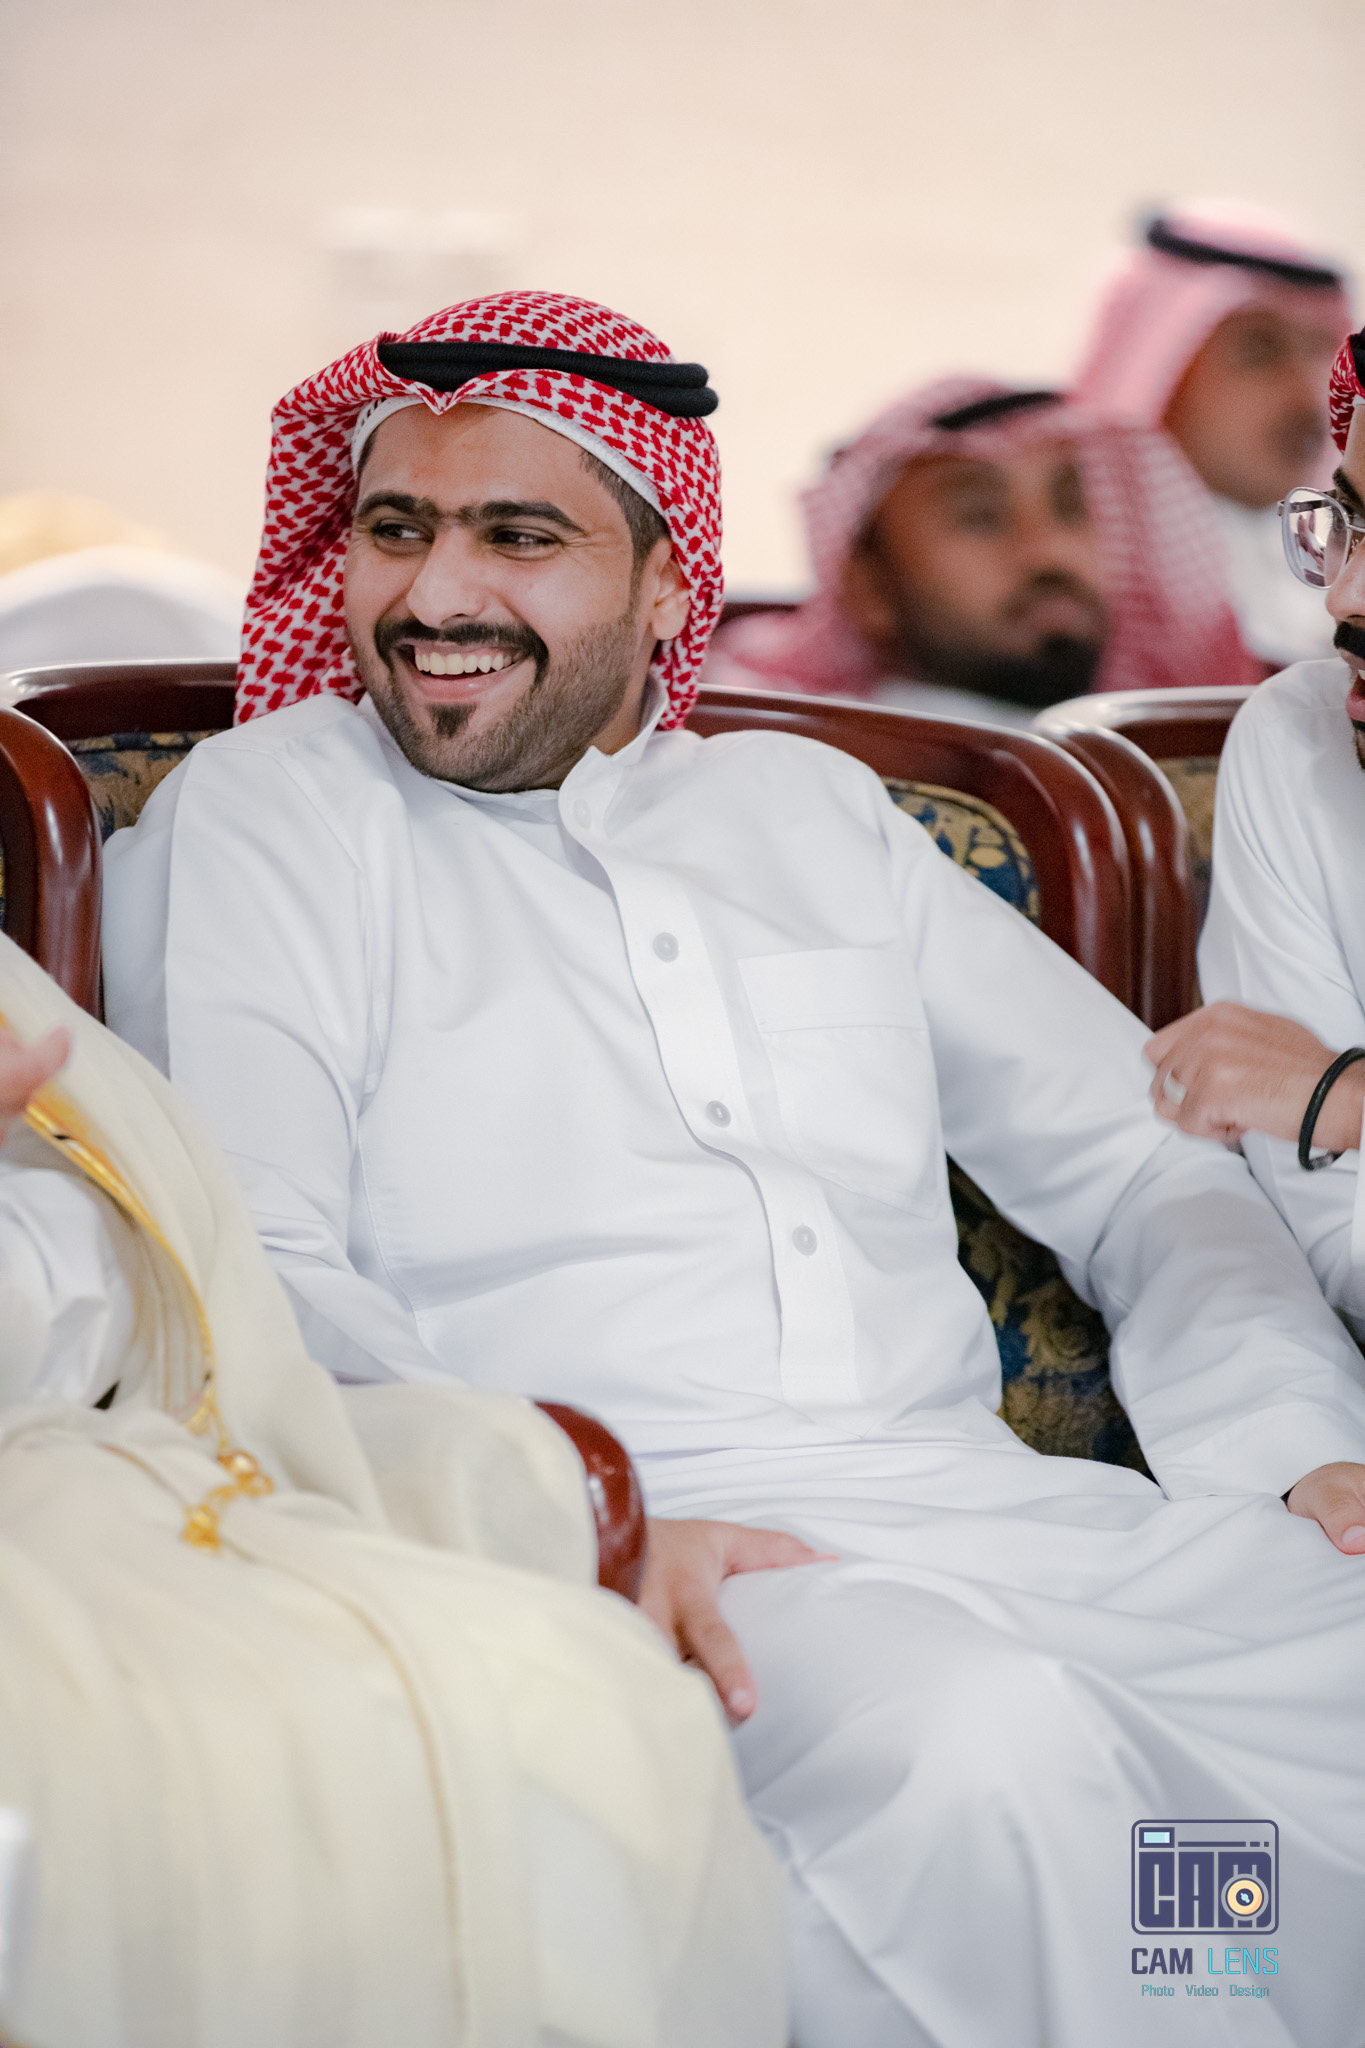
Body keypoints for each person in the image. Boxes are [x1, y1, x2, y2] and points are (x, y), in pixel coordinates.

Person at [102, 290, 1365, 2048]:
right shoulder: (271, 820)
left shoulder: (810, 816)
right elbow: (257, 1263)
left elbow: (1143, 1164)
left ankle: (1186, 1976)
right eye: (394, 531)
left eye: (517, 537)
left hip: (1000, 1519)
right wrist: (571, 1512)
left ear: (664, 585)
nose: (436, 594)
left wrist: (1293, 1453)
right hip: (630, 1548)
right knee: (990, 1747)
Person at [0, 936, 783, 2047]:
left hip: (120, 1475)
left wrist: (544, 1486)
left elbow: (189, 1312)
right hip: (55, 1561)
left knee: (596, 1709)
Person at [1147, 327, 1365, 1349]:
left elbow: (1327, 1123)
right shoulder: (1298, 746)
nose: (1343, 595)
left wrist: (1348, 1100)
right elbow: (1340, 1245)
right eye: (1349, 523)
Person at [707, 379, 1252, 722]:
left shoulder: (1177, 751)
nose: (1045, 552)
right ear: (867, 588)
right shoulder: (801, 758)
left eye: (1072, 507)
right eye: (980, 517)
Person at [1074, 200, 1352, 673]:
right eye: (1258, 351)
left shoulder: (1330, 564)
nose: (1310, 395)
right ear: (1161, 370)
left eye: (1320, 349)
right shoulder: (1078, 579)